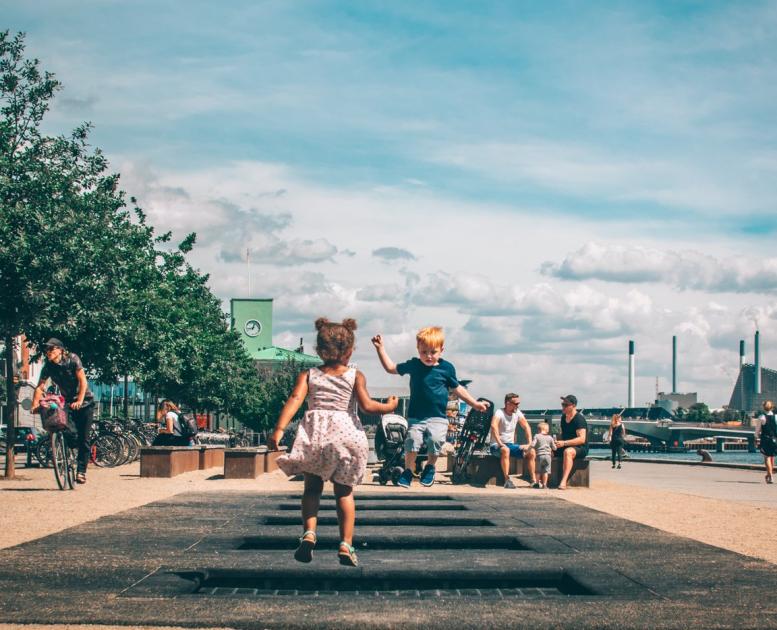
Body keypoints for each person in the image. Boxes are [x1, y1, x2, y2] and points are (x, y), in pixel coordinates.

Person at [269, 318, 398, 567]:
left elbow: (296, 399)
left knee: (312, 489)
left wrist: (279, 429)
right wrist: (390, 406)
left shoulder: (309, 375)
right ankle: (346, 543)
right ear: (349, 351)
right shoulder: (355, 375)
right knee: (344, 493)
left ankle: (309, 533)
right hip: (346, 436)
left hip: (316, 437)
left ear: (319, 351)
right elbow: (368, 406)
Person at [372, 327, 487, 489]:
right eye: (424, 352)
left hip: (438, 416)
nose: (428, 356)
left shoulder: (446, 368)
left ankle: (430, 467)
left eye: (433, 352)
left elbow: (457, 388)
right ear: (418, 349)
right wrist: (380, 348)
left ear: (441, 350)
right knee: (412, 441)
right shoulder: (414, 365)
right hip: (416, 416)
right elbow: (391, 368)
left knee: (435, 440)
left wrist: (474, 403)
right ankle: (408, 471)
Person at [31, 338, 95, 484]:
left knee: (84, 439)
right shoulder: (48, 367)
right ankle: (70, 447)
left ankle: (81, 472)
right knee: (64, 427)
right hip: (66, 402)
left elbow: (83, 381)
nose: (48, 353)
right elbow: (40, 387)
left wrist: (79, 400)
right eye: (47, 350)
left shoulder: (73, 359)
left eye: (51, 349)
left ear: (60, 350)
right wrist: (35, 404)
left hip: (85, 402)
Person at [489, 393, 536, 489]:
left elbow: (526, 426)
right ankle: (507, 480)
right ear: (508, 403)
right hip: (496, 446)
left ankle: (533, 481)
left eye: (519, 403)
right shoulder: (499, 412)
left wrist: (529, 443)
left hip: (511, 445)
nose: (518, 405)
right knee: (505, 450)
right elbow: (493, 426)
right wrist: (500, 443)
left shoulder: (517, 412)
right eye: (516, 403)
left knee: (531, 452)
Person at [555, 394, 588, 490]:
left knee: (568, 452)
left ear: (573, 406)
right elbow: (563, 434)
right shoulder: (563, 417)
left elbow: (582, 439)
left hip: (580, 448)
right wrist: (555, 442)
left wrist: (564, 443)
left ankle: (563, 481)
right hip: (566, 444)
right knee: (546, 450)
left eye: (566, 405)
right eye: (562, 404)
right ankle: (544, 478)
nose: (563, 407)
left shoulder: (579, 419)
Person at [523, 421, 556, 489]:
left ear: (538, 430)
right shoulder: (550, 437)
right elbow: (554, 448)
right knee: (546, 471)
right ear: (547, 430)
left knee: (538, 471)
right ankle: (544, 484)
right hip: (548, 456)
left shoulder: (537, 436)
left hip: (539, 456)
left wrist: (527, 452)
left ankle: (537, 483)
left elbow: (532, 445)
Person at [755, 400, 776, 484]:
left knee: (767, 457)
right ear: (772, 407)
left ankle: (770, 476)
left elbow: (757, 430)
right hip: (775, 439)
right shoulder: (776, 417)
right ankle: (769, 474)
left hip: (765, 439)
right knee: (772, 456)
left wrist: (756, 437)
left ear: (763, 407)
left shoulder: (761, 417)